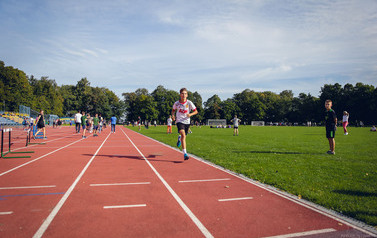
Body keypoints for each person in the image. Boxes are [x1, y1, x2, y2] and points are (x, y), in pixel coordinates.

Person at [172, 88, 198, 160]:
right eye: (182, 93)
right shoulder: (176, 103)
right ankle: (185, 154)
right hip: (179, 121)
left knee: (184, 136)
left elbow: (196, 111)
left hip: (187, 121)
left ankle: (179, 138)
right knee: (183, 134)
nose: (184, 95)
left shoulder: (189, 103)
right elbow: (173, 110)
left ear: (187, 95)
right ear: (180, 94)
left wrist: (190, 114)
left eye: (185, 93)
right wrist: (173, 116)